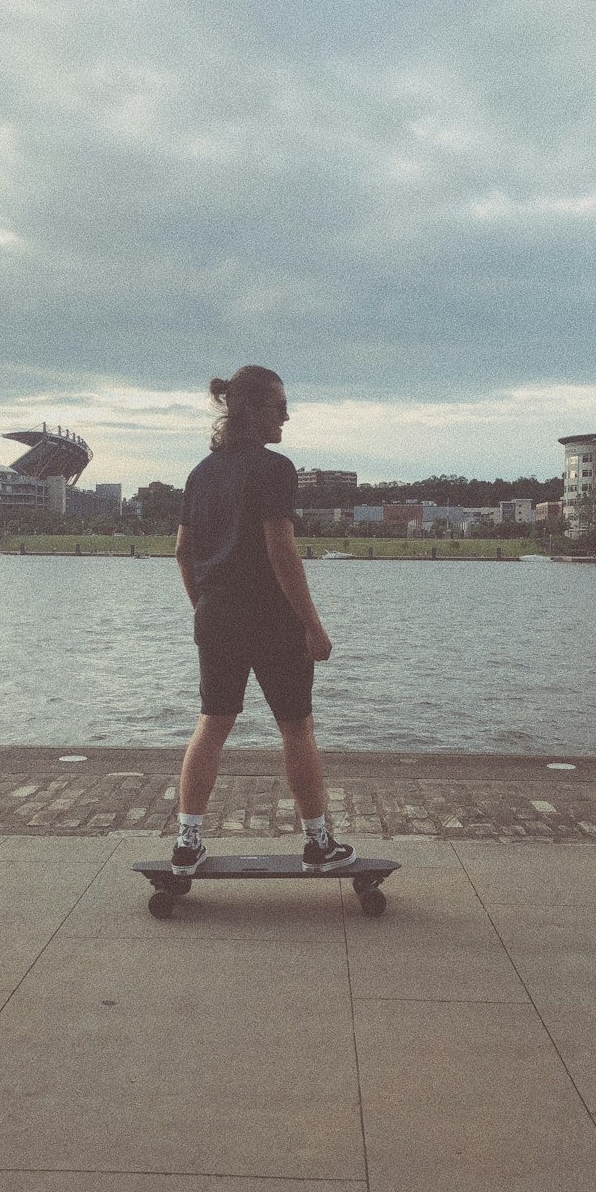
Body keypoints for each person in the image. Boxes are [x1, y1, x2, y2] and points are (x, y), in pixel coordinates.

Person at [172, 364, 356, 877]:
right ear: (252, 410)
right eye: (279, 406)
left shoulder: (200, 473)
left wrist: (205, 607)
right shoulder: (275, 468)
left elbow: (183, 553)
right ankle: (318, 845)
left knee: (212, 722)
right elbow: (282, 553)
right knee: (297, 729)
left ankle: (187, 843)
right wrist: (313, 625)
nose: (287, 416)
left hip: (216, 615)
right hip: (272, 619)